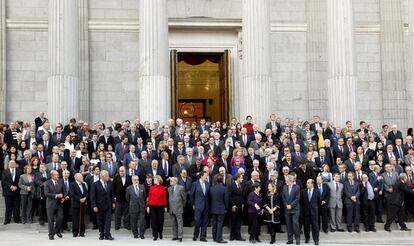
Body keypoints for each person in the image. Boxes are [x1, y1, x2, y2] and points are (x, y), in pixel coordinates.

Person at [90, 170, 115, 240]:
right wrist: (94, 206)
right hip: (99, 206)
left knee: (108, 221)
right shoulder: (95, 184)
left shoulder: (110, 183)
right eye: (107, 176)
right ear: (102, 177)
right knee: (100, 221)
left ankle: (107, 234)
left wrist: (113, 202)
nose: (108, 177)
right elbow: (92, 196)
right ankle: (101, 234)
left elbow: (112, 194)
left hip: (108, 206)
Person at [190, 170, 210, 242]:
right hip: (198, 205)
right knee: (197, 221)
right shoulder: (195, 184)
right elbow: (192, 195)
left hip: (206, 205)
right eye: (205, 175)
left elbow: (208, 195)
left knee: (205, 222)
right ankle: (195, 234)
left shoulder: (207, 184)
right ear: (201, 176)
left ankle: (203, 237)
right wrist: (193, 204)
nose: (206, 177)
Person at [44, 170, 64, 240]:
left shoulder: (60, 182)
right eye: (56, 175)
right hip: (50, 204)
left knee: (60, 218)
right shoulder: (47, 183)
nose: (58, 176)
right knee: (51, 220)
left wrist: (63, 198)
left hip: (59, 204)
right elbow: (46, 194)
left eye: (58, 175)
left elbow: (62, 191)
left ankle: (57, 230)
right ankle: (51, 234)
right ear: (52, 176)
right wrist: (56, 195)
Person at [209, 175, 229, 243]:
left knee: (214, 223)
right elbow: (226, 200)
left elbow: (210, 199)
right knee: (220, 224)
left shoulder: (211, 188)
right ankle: (219, 238)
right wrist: (226, 208)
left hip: (213, 208)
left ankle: (214, 237)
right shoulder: (224, 188)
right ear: (222, 180)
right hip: (221, 208)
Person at [147, 175, 167, 241]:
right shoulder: (151, 188)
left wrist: (165, 206)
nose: (154, 180)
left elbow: (164, 198)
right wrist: (147, 206)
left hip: (160, 206)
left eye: (155, 179)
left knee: (160, 221)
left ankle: (160, 232)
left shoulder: (163, 188)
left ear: (159, 180)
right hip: (152, 206)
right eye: (154, 179)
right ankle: (155, 235)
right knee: (153, 221)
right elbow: (149, 197)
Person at [1, 160, 22, 224]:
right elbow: (3, 181)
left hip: (17, 191)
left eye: (13, 163)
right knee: (8, 206)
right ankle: (7, 219)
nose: (12, 164)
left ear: (15, 164)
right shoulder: (5, 171)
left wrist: (16, 187)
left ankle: (17, 218)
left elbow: (20, 181)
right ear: (8, 164)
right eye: (11, 163)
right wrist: (11, 186)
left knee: (17, 206)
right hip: (8, 192)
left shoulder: (19, 171)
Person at [282, 174, 301, 245]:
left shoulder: (297, 187)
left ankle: (297, 239)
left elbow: (297, 198)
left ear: (290, 181)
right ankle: (290, 239)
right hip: (287, 209)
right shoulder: (284, 187)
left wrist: (291, 205)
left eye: (286, 180)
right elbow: (283, 197)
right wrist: (286, 205)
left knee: (295, 223)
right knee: (288, 224)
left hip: (295, 209)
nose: (285, 182)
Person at [301, 179, 320, 245]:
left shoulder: (316, 191)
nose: (307, 184)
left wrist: (315, 208)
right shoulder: (303, 191)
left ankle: (316, 240)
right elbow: (301, 202)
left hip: (314, 212)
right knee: (306, 227)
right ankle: (307, 238)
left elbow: (319, 201)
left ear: (312, 184)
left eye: (308, 183)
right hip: (306, 212)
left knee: (315, 227)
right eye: (307, 183)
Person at [168, 177, 186, 242]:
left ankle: (180, 236)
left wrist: (181, 206)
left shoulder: (181, 188)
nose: (170, 182)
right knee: (173, 223)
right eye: (170, 181)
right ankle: (175, 235)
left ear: (175, 181)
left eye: (171, 181)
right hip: (171, 208)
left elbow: (184, 199)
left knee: (179, 223)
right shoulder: (169, 189)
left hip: (178, 208)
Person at [228, 173, 245, 241]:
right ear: (237, 178)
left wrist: (243, 203)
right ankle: (232, 236)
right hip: (234, 206)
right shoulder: (231, 185)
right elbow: (229, 196)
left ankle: (238, 236)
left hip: (240, 206)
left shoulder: (241, 185)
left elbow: (241, 195)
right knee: (233, 221)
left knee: (238, 221)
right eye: (241, 178)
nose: (242, 179)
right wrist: (233, 205)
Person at [69, 173, 88, 237]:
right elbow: (72, 194)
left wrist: (85, 198)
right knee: (75, 218)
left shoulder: (83, 184)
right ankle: (75, 231)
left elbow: (86, 193)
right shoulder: (72, 184)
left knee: (82, 218)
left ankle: (82, 232)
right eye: (81, 177)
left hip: (82, 204)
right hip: (75, 204)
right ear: (76, 178)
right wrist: (79, 199)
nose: (82, 178)